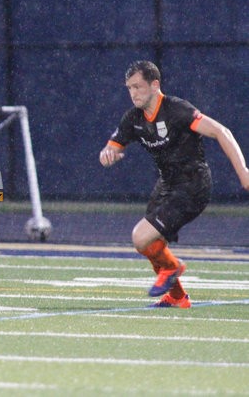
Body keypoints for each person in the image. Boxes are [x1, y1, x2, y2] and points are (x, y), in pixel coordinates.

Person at [100, 60, 249, 308]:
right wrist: (108, 155)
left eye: (138, 86)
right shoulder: (133, 118)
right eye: (129, 88)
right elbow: (111, 148)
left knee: (140, 237)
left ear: (154, 85)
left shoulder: (177, 110)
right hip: (167, 185)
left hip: (193, 184)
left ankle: (173, 267)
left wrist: (243, 172)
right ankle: (178, 297)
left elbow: (221, 131)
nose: (133, 93)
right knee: (151, 245)